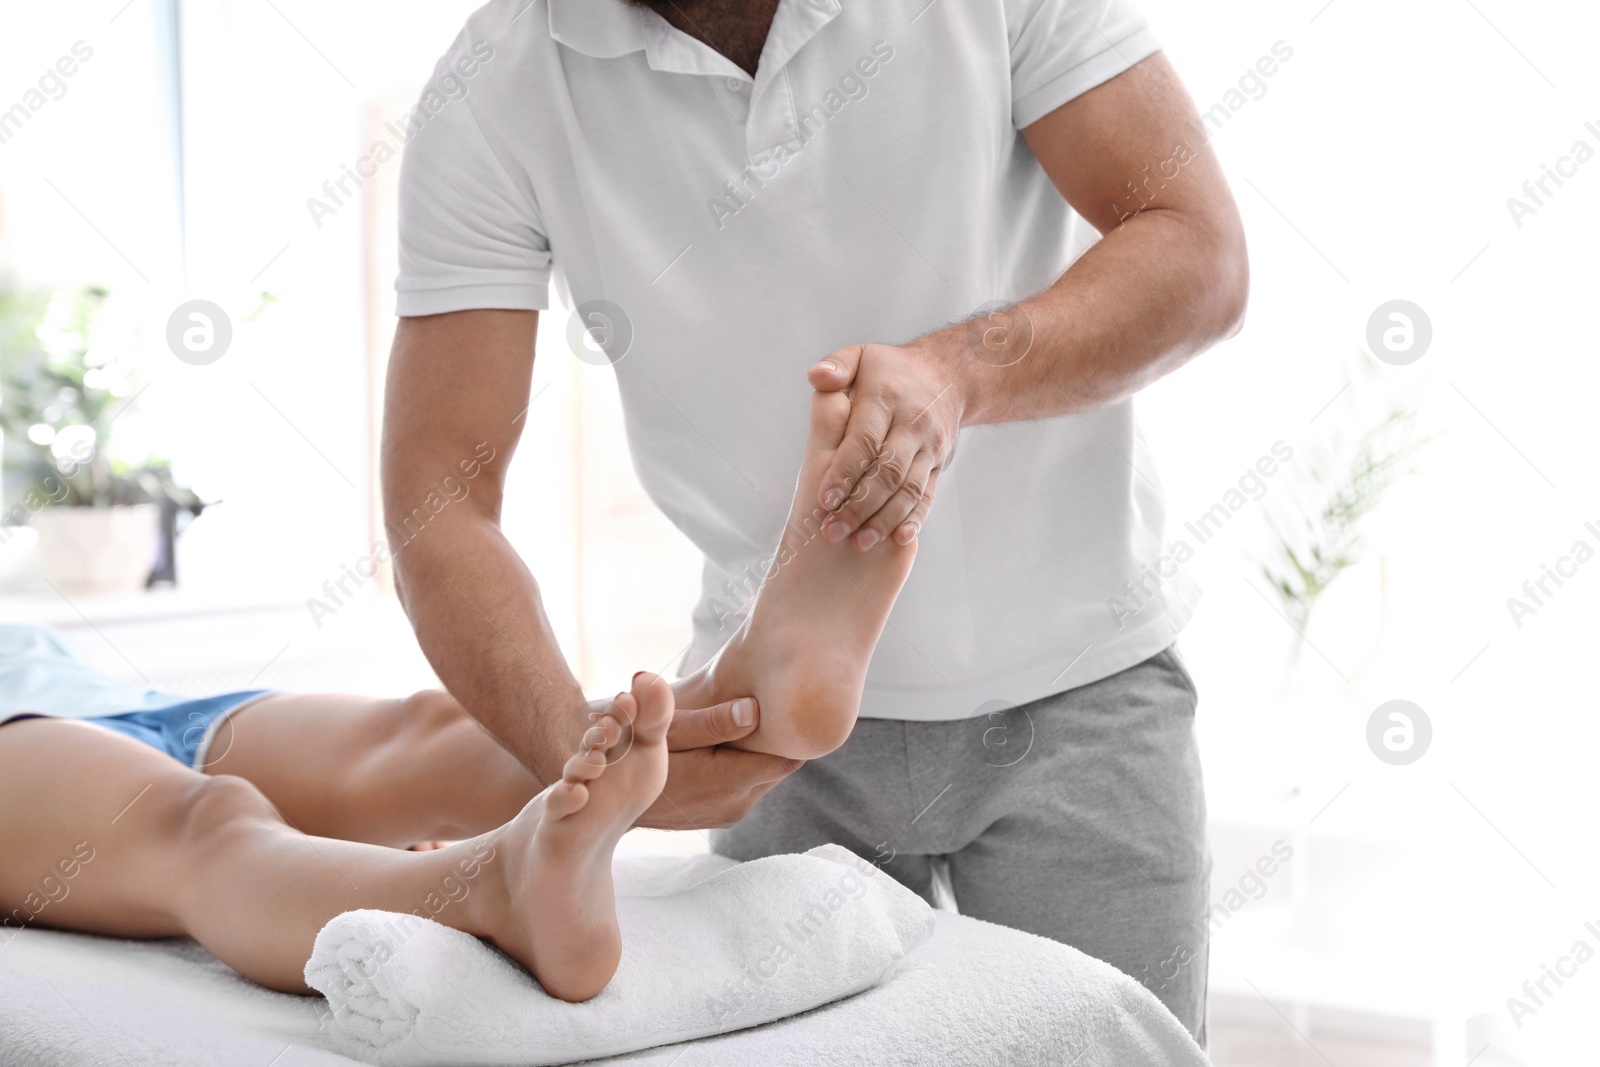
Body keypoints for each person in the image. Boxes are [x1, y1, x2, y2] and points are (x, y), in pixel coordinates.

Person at [383, 0, 1246, 1039]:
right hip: (769, 739)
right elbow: (438, 503)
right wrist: (572, 749)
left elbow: (1197, 250)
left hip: (1086, 692)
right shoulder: (495, 84)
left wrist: (955, 374)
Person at [0, 391, 914, 1000]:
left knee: (431, 731)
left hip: (95, 690)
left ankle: (731, 699)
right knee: (203, 825)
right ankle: (487, 889)